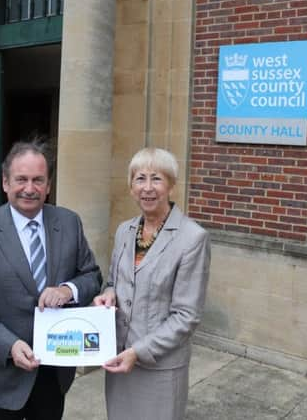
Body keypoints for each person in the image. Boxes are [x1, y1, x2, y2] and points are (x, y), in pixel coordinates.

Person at [0, 140, 102, 420]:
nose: (30, 188)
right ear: (6, 183)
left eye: (38, 180)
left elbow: (92, 275)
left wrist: (67, 290)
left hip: (53, 372)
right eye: (21, 179)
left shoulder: (69, 222)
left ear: (48, 185)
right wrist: (9, 344)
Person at [93, 147, 210, 420]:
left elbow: (187, 316)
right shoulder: (125, 230)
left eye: (156, 179)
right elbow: (114, 281)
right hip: (120, 360)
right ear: (131, 186)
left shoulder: (192, 238)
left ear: (171, 184)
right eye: (140, 178)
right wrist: (108, 294)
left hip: (160, 367)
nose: (148, 188)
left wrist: (139, 352)